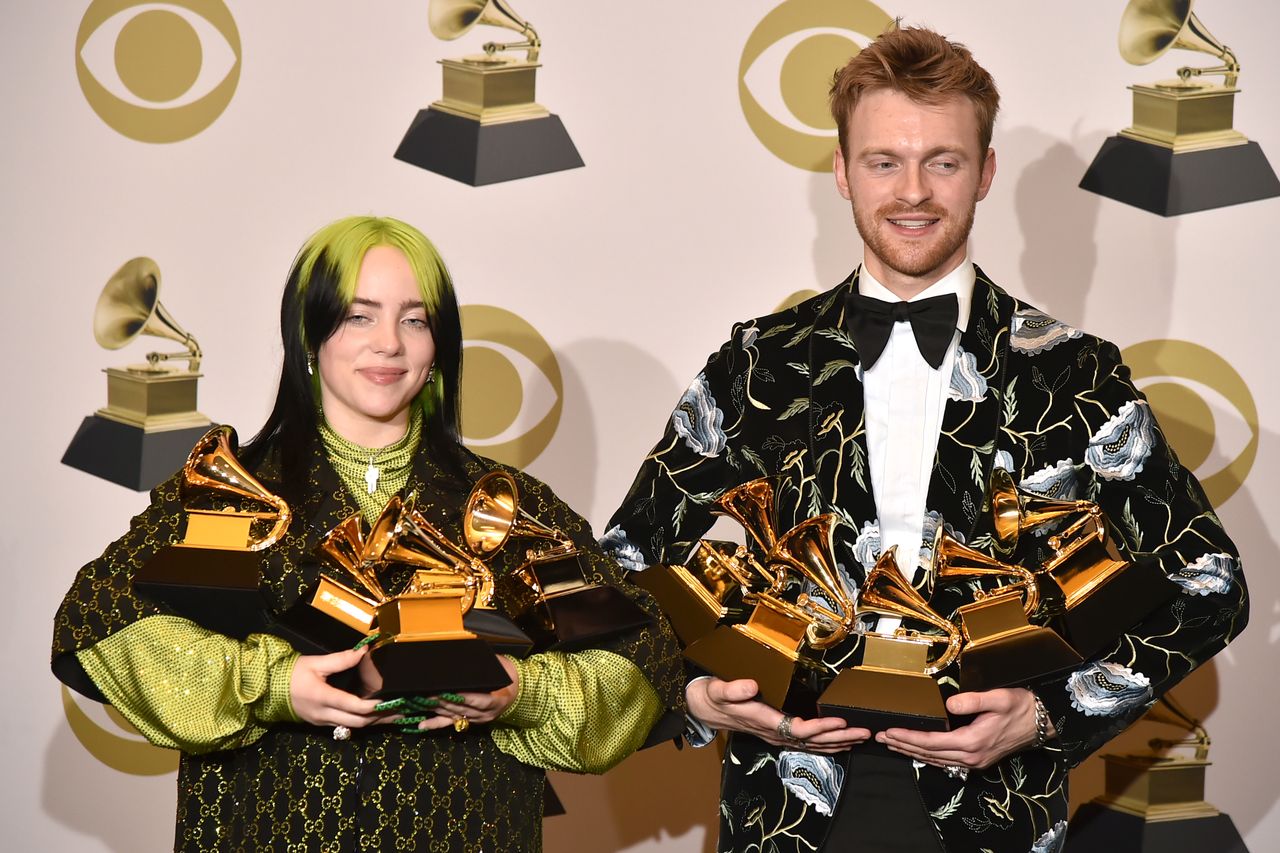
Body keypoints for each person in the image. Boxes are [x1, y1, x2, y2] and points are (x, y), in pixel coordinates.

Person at [603, 26, 1247, 853]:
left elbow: (1209, 579)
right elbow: (621, 566)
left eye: (942, 161)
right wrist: (695, 697)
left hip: (997, 812)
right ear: (840, 172)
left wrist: (1049, 710)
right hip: (785, 808)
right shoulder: (754, 366)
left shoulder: (1075, 374)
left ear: (984, 173)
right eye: (883, 161)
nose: (913, 191)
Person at [51, 216, 684, 852]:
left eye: (415, 320)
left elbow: (638, 657)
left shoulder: (508, 508)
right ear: (309, 332)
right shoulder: (228, 492)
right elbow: (100, 620)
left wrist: (522, 694)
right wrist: (273, 686)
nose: (390, 344)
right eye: (359, 316)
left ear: (440, 346)